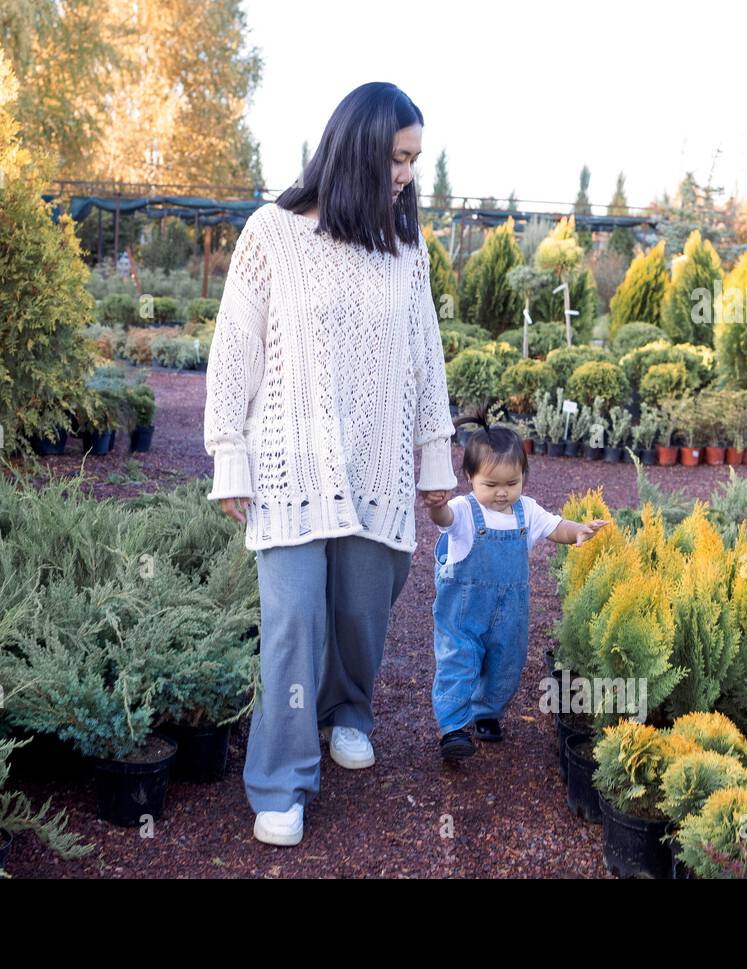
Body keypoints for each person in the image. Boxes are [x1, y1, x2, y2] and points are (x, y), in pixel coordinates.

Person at [203, 82, 456, 846]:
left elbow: (426, 358)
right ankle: (281, 780)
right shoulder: (271, 233)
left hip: (375, 460)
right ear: (355, 149)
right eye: (398, 157)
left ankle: (349, 707)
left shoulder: (403, 249)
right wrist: (229, 457)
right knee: (292, 618)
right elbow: (233, 351)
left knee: (361, 607)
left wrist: (434, 459)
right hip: (287, 461)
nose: (409, 174)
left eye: (415, 159)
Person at [421, 419, 607, 763]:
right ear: (470, 479)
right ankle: (453, 728)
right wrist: (436, 504)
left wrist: (578, 531)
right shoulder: (464, 510)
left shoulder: (527, 511)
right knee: (458, 662)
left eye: (512, 483)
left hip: (510, 612)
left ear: (523, 477)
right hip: (463, 611)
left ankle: (487, 711)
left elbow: (556, 527)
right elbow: (443, 519)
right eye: (490, 484)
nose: (502, 492)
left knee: (507, 664)